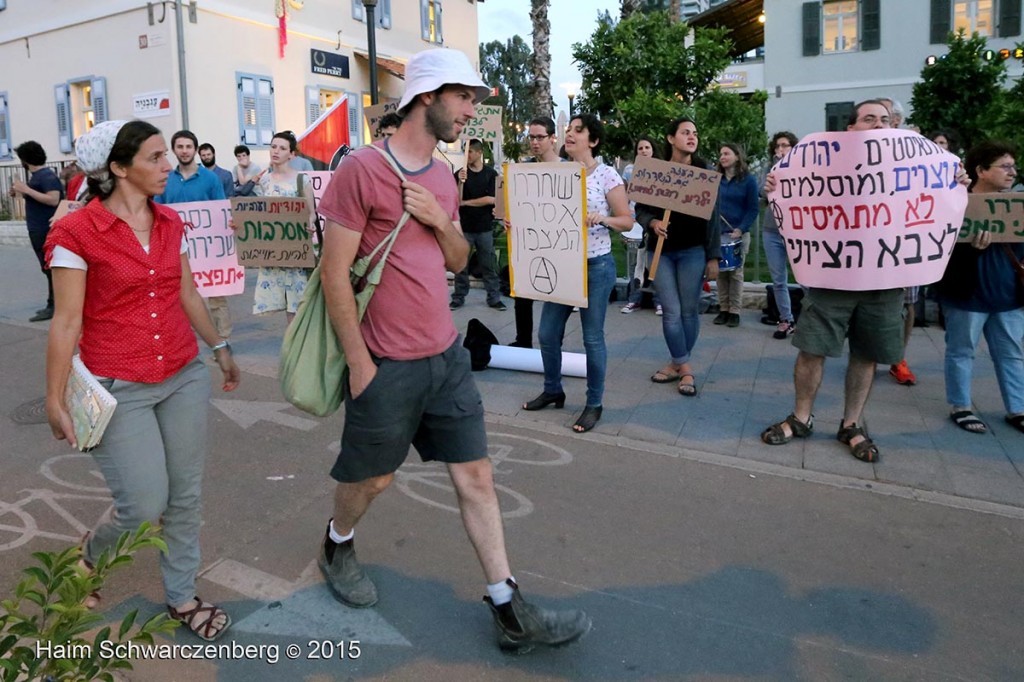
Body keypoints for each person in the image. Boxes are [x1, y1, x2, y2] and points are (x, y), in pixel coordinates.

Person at [314, 48, 590, 653]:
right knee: (374, 480)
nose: (472, 110)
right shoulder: (362, 169)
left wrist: (442, 220)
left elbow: (460, 259)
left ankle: (507, 606)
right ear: (429, 96)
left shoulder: (442, 174)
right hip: (385, 362)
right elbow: (335, 274)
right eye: (464, 97)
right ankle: (337, 543)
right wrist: (360, 364)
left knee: (477, 480)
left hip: (446, 358)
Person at [44, 119, 240, 641]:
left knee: (185, 495)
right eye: (155, 157)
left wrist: (219, 348)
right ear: (118, 168)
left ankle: (181, 596)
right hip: (117, 384)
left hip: (181, 373)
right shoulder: (75, 232)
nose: (168, 166)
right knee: (142, 504)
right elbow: (67, 321)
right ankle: (89, 555)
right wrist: (54, 395)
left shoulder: (171, 221)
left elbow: (188, 293)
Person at [761, 100, 970, 462]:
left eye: (885, 120)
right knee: (811, 348)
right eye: (869, 118)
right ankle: (801, 417)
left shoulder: (915, 167)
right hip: (832, 278)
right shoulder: (825, 164)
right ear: (852, 129)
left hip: (885, 282)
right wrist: (778, 185)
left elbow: (940, 201)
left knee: (867, 354)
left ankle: (852, 424)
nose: (878, 124)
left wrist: (956, 181)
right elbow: (798, 199)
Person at [522, 113, 634, 432]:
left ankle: (593, 403)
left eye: (578, 131)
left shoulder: (607, 176)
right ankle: (553, 389)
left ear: (593, 141)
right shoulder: (557, 172)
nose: (569, 134)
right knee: (547, 334)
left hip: (595, 266)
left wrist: (603, 219)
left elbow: (627, 220)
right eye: (568, 130)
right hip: (561, 265)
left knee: (592, 338)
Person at [936, 140, 1024, 435]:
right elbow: (940, 247)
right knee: (961, 350)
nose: (1012, 172)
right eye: (1005, 166)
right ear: (982, 171)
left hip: (1008, 293)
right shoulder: (954, 201)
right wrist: (971, 249)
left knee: (1011, 352)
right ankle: (960, 406)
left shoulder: (1015, 205)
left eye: (1013, 166)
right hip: (967, 293)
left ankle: (1018, 408)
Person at [636, 117, 721, 397]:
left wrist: (713, 257)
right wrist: (652, 224)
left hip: (693, 252)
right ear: (671, 138)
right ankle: (686, 368)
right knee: (670, 312)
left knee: (688, 311)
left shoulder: (704, 172)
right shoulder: (656, 172)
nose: (692, 137)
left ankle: (676, 362)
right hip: (662, 253)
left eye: (695, 133)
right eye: (685, 132)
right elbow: (641, 210)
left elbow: (712, 221)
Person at [154, 130, 231, 341]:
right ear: (174, 150)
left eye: (188, 147)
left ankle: (222, 339)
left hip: (208, 248)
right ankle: (186, 338)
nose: (185, 151)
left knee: (216, 296)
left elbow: (220, 208)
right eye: (180, 147)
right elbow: (156, 208)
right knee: (180, 294)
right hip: (176, 247)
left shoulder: (210, 178)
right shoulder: (165, 178)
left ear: (195, 150)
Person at [247, 130, 316, 323]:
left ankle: (297, 348)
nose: (276, 151)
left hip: (295, 255)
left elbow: (312, 214)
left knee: (298, 308)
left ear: (292, 154)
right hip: (272, 253)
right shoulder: (264, 181)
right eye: (273, 146)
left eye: (282, 148)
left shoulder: (302, 180)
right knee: (283, 304)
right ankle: (292, 348)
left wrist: (309, 225)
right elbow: (256, 214)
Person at [508, 115, 562, 348]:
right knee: (522, 296)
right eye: (531, 137)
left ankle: (554, 343)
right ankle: (523, 341)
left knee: (557, 297)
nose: (535, 142)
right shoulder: (524, 169)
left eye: (540, 137)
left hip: (558, 243)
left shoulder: (567, 170)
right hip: (528, 242)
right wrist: (509, 219)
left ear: (552, 138)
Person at [11, 141, 63, 321]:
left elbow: (53, 199)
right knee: (47, 267)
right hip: (38, 227)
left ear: (26, 159)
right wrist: (21, 192)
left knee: (51, 267)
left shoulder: (46, 176)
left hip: (45, 228)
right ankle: (53, 303)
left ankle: (55, 305)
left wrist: (26, 190)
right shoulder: (38, 177)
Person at [450, 138, 504, 310]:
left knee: (488, 264)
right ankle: (458, 297)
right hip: (464, 227)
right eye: (466, 151)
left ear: (479, 152)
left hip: (484, 227)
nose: (468, 155)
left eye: (470, 152)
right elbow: (456, 200)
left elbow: (491, 199)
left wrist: (467, 203)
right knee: (461, 266)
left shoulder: (490, 174)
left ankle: (494, 297)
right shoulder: (460, 173)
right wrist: (460, 182)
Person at [713, 143, 759, 328]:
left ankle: (735, 311)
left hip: (738, 233)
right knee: (720, 273)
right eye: (721, 154)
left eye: (726, 153)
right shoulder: (715, 179)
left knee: (735, 273)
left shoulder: (748, 180)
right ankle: (723, 308)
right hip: (718, 233)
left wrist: (741, 228)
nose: (722, 157)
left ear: (737, 156)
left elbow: (753, 208)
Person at [759, 132, 799, 339]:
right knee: (778, 279)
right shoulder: (770, 169)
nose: (780, 149)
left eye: (785, 145)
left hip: (796, 230)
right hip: (772, 229)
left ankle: (814, 319)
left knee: (805, 277)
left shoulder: (803, 169)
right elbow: (762, 192)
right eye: (777, 146)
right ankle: (786, 319)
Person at [620, 135, 663, 316]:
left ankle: (659, 300)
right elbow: (624, 193)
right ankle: (634, 299)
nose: (644, 151)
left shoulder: (662, 170)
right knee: (635, 263)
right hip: (635, 221)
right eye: (640, 148)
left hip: (653, 222)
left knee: (656, 262)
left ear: (653, 150)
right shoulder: (630, 170)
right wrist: (627, 212)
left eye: (647, 147)